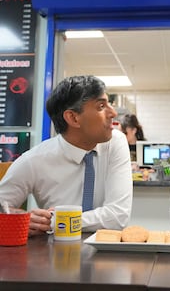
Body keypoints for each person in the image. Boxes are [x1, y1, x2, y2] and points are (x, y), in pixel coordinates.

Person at [0, 75, 133, 236]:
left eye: (109, 104)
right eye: (101, 106)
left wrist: (56, 221)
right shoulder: (34, 160)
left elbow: (118, 216)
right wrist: (22, 218)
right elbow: (2, 206)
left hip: (106, 252)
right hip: (52, 254)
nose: (112, 113)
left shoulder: (115, 142)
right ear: (73, 118)